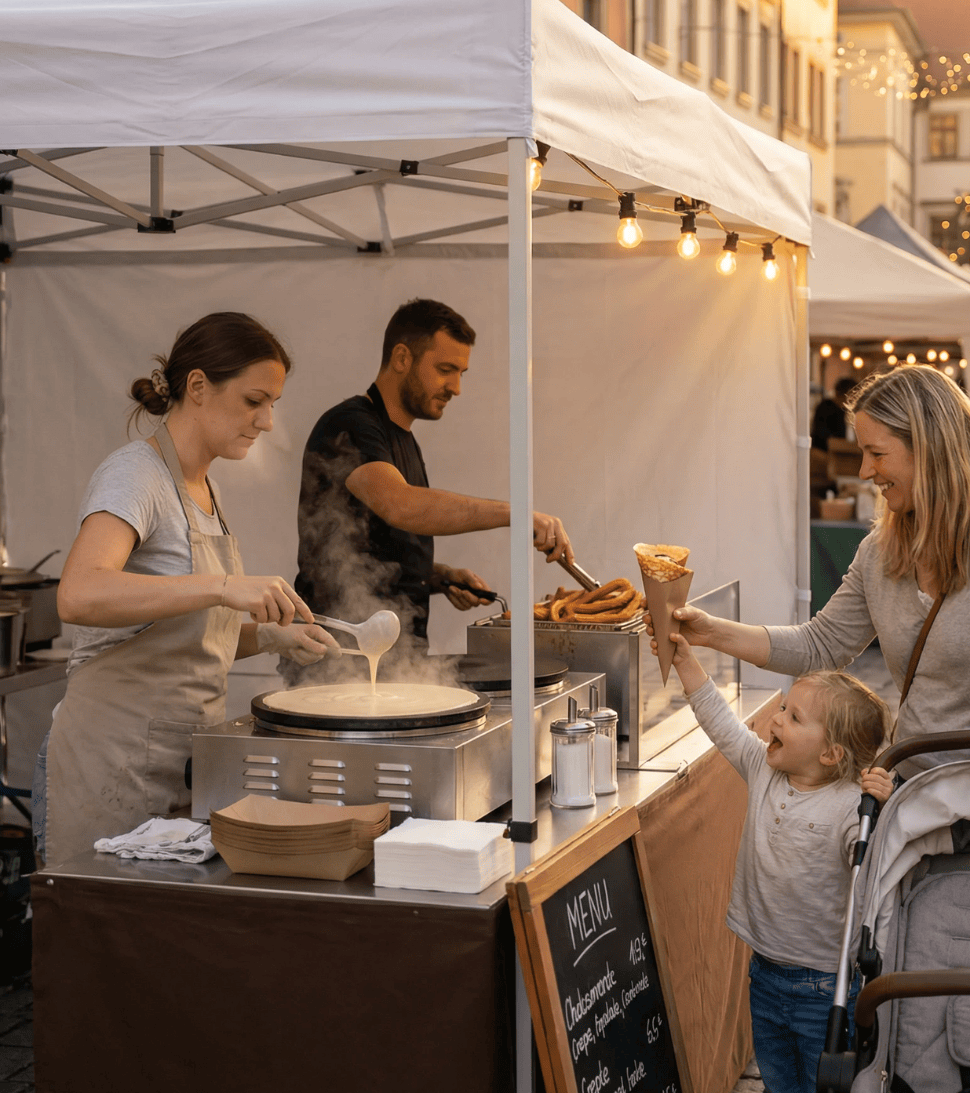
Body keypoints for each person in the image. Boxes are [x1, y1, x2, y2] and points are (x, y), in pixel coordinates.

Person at [40, 312, 339, 868]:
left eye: (272, 404)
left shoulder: (205, 489)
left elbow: (187, 637)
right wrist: (222, 586)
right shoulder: (136, 475)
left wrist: (271, 637)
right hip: (110, 763)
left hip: (181, 762)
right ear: (198, 386)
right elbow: (79, 593)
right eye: (254, 401)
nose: (267, 421)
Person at [671, 365, 970, 766]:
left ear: (930, 449)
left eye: (877, 454)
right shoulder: (881, 550)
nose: (864, 471)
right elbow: (819, 646)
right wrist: (710, 631)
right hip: (917, 790)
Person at [669, 629, 892, 1093]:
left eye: (793, 716)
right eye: (783, 708)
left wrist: (883, 807)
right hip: (764, 972)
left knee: (821, 1085)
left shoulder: (850, 806)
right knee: (778, 1082)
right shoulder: (762, 769)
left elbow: (875, 862)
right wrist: (685, 660)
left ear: (830, 753)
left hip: (825, 987)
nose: (775, 718)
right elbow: (719, 720)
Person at [295, 298, 573, 642]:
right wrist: (515, 513)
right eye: (445, 369)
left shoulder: (405, 440)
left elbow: (377, 550)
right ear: (402, 358)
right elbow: (400, 505)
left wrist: (438, 576)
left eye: (461, 373)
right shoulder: (349, 424)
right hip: (340, 650)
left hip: (398, 653)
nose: (456, 388)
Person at [811, 377, 857, 453]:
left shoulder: (846, 411)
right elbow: (825, 440)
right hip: (823, 453)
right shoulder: (825, 407)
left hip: (840, 453)